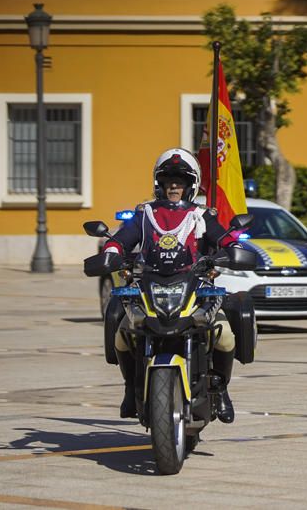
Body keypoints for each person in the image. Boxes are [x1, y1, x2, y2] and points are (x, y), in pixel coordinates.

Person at [102, 148, 240, 422]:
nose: (173, 187)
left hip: (195, 289)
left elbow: (223, 237)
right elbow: (122, 238)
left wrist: (235, 247)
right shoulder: (144, 214)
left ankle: (221, 389)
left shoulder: (202, 216)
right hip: (151, 285)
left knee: (224, 334)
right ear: (159, 185)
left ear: (191, 185)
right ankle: (131, 388)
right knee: (122, 332)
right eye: (168, 182)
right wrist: (112, 251)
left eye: (180, 182)